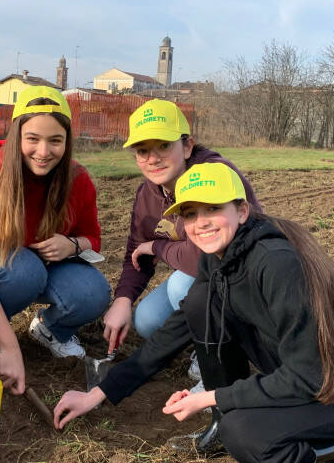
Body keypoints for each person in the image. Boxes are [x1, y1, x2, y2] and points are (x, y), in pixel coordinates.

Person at [56, 163, 334, 463]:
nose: (201, 222)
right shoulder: (217, 258)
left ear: (242, 211)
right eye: (191, 214)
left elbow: (308, 374)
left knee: (249, 434)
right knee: (198, 306)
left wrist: (212, 397)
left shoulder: (276, 262)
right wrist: (99, 392)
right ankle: (233, 423)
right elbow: (174, 331)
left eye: (213, 208)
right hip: (311, 374)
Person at [0, 85, 111, 396]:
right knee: (25, 271)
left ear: (67, 142)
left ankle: (51, 330)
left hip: (49, 263)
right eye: (32, 139)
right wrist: (10, 347)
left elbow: (94, 238)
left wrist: (72, 245)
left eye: (55, 140)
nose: (43, 151)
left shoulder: (78, 180)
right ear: (17, 137)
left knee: (94, 292)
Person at [102, 99, 261, 388]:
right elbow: (134, 253)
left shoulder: (214, 175)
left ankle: (222, 366)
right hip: (206, 277)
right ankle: (204, 344)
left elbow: (202, 258)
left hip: (244, 281)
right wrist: (122, 300)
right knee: (147, 319)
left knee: (181, 286)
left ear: (187, 146)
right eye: (143, 150)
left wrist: (157, 247)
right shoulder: (147, 194)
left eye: (163, 145)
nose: (153, 158)